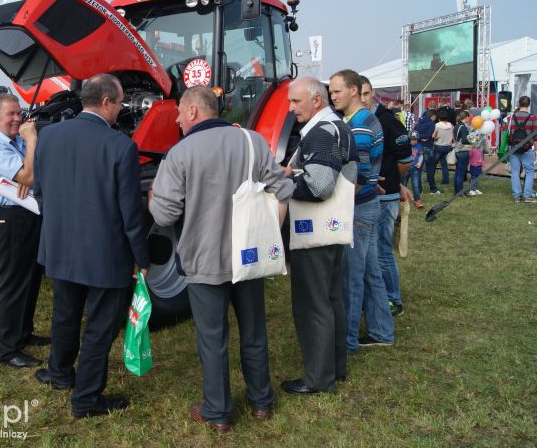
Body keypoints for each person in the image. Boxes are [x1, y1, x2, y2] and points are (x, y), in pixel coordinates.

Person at [149, 86, 292, 430]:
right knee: (254, 332)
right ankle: (261, 402)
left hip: (203, 261)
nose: (179, 121)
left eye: (180, 114)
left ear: (194, 112)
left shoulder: (179, 154)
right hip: (249, 257)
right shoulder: (253, 141)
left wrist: (154, 195)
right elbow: (283, 190)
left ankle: (218, 412)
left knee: (212, 339)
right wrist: (269, 232)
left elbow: (164, 216)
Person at [32, 74, 150, 419]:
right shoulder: (120, 145)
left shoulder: (49, 135)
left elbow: (41, 191)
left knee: (65, 314)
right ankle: (85, 399)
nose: (121, 110)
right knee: (99, 326)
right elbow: (130, 211)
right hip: (104, 253)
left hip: (60, 246)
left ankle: (59, 372)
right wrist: (141, 257)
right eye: (119, 103)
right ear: (106, 103)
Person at [282, 77, 356, 395]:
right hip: (333, 230)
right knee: (330, 300)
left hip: (314, 234)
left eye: (295, 102)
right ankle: (333, 369)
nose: (290, 108)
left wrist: (280, 184)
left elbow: (319, 186)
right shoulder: (337, 126)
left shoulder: (322, 133)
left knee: (313, 305)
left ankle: (318, 378)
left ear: (315, 101)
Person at [0, 94, 48, 369]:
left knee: (30, 277)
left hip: (26, 214)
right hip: (8, 219)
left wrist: (27, 169)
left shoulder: (12, 142)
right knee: (13, 283)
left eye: (19, 112)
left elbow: (32, 174)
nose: (18, 118)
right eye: (11, 114)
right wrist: (31, 142)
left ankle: (23, 333)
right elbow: (28, 176)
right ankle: (7, 349)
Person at [329, 69, 394, 352]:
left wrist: (337, 202)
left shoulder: (358, 125)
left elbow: (360, 174)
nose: (333, 97)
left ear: (353, 90)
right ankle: (382, 330)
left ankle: (348, 342)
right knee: (370, 273)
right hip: (368, 205)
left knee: (352, 278)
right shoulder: (364, 120)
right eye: (331, 92)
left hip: (358, 210)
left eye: (337, 91)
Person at [361, 76, 412, 318]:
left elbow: (405, 160)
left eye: (367, 93)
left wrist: (393, 181)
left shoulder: (387, 121)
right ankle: (375, 295)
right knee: (369, 251)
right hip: (368, 196)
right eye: (359, 94)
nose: (363, 99)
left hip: (385, 197)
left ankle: (393, 299)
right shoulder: (356, 120)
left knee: (381, 250)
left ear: (373, 94)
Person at [507, 96, 537, 203]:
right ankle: (527, 195)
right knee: (529, 171)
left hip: (514, 148)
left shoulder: (511, 117)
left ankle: (516, 195)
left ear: (519, 104)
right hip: (527, 148)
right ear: (528, 105)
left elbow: (508, 133)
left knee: (515, 172)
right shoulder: (533, 118)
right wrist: (535, 148)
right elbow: (535, 136)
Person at [417, 109, 439, 194]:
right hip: (428, 147)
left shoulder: (418, 123)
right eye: (435, 117)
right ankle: (433, 188)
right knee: (430, 169)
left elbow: (416, 134)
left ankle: (419, 189)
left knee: (418, 169)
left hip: (419, 147)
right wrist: (424, 137)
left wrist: (420, 137)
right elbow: (428, 135)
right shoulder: (431, 124)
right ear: (432, 116)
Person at [432, 111, 454, 189]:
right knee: (444, 164)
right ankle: (445, 180)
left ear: (439, 118)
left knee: (433, 164)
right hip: (448, 146)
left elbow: (433, 136)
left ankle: (430, 179)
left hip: (438, 146)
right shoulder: (451, 125)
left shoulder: (437, 125)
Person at [402, 136, 424, 208]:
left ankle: (417, 200)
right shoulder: (405, 146)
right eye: (412, 140)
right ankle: (402, 199)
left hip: (414, 168)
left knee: (415, 184)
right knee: (403, 184)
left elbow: (421, 155)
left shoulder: (419, 146)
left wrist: (419, 163)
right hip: (405, 168)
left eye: (415, 140)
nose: (414, 141)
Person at [453, 111, 472, 195]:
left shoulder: (456, 126)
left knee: (457, 172)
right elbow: (464, 140)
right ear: (467, 117)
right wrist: (472, 139)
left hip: (457, 150)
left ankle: (457, 190)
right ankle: (460, 192)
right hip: (463, 151)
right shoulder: (463, 127)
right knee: (461, 172)